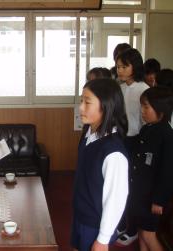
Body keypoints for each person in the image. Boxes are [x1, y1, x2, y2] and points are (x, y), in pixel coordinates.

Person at [71, 78, 129, 251]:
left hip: (96, 224)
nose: (80, 107)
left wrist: (103, 240)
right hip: (82, 215)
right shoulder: (89, 136)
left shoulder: (113, 152)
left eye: (87, 102)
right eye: (81, 101)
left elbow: (115, 199)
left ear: (106, 105)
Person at [127, 87, 173, 251]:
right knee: (141, 232)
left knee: (148, 234)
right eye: (142, 107)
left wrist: (159, 200)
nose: (142, 111)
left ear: (161, 109)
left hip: (152, 198)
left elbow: (167, 173)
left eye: (146, 107)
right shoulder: (147, 129)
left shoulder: (167, 135)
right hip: (140, 194)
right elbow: (133, 147)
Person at [115, 47, 149, 245]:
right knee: (120, 184)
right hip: (121, 139)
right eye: (118, 66)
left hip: (136, 141)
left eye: (124, 66)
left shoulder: (143, 89)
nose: (119, 70)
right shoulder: (121, 88)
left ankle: (132, 228)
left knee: (132, 188)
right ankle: (120, 223)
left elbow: (145, 122)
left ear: (134, 67)